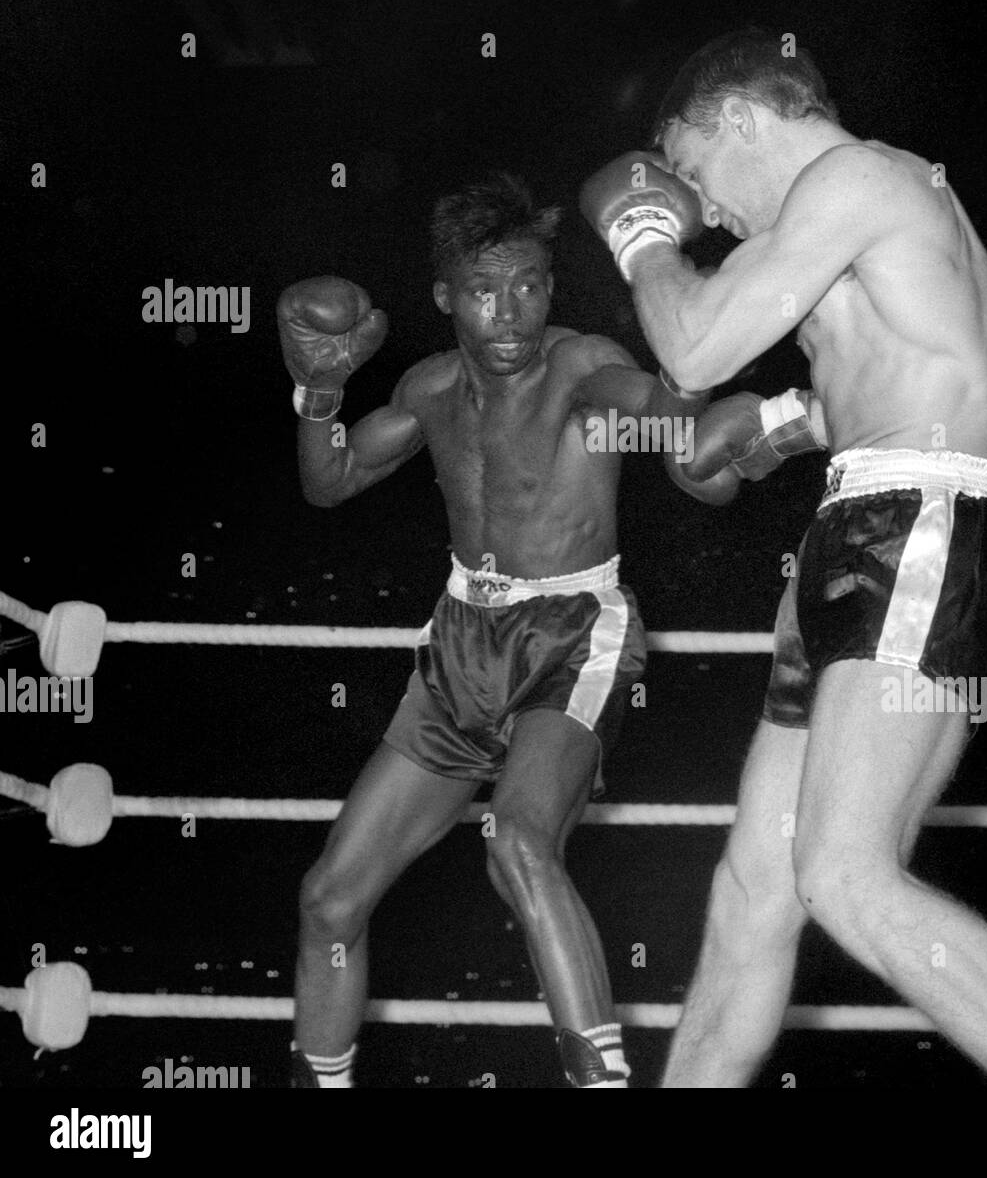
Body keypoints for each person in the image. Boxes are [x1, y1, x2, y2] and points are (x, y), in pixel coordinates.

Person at [580, 29, 987, 1088]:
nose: (702, 206)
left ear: (740, 116)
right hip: (856, 529)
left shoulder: (858, 176)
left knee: (844, 873)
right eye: (675, 195)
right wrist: (779, 421)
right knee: (753, 891)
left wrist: (642, 238)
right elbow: (899, 368)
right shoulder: (861, 218)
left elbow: (692, 346)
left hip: (925, 522)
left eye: (690, 168)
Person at [280, 172, 723, 1089]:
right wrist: (315, 395)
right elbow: (326, 484)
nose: (511, 310)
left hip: (573, 633)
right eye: (485, 290)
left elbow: (655, 408)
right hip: (458, 647)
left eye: (529, 284)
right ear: (446, 299)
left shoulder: (579, 366)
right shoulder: (430, 387)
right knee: (329, 900)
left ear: (551, 287)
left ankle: (602, 1083)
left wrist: (692, 395)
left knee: (518, 841)